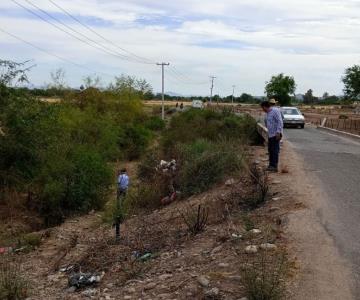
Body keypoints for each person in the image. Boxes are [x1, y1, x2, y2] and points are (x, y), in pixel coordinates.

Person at [261, 101, 283, 172]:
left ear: (265, 106)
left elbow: (280, 121)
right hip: (270, 134)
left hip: (276, 134)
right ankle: (271, 165)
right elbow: (267, 122)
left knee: (275, 151)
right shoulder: (267, 113)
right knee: (270, 150)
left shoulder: (275, 111)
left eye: (262, 108)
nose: (262, 109)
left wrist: (278, 132)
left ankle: (274, 167)